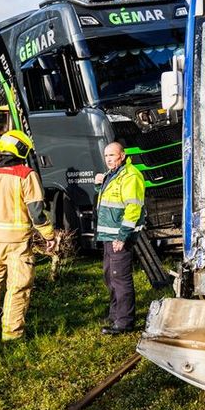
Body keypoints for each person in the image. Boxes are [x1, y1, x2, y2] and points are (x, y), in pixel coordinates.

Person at [0, 130, 56, 341]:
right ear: (21, 149)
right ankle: (11, 333)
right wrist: (49, 235)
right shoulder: (26, 174)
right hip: (17, 241)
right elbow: (36, 211)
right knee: (18, 286)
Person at [93, 141, 146, 335]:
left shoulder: (131, 176)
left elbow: (133, 209)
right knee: (110, 277)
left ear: (122, 156)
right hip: (108, 235)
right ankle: (115, 315)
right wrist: (99, 186)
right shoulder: (111, 175)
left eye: (112, 155)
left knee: (120, 279)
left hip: (119, 236)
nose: (108, 159)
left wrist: (122, 236)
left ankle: (124, 322)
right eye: (106, 155)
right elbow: (109, 202)